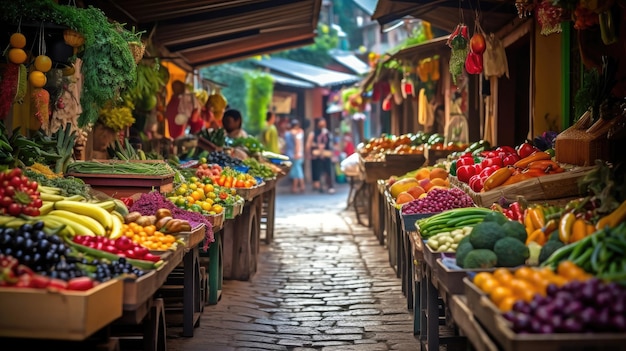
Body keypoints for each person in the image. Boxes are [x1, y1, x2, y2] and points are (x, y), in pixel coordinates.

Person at [306, 117, 335, 194]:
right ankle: (318, 185)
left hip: (326, 154)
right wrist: (309, 153)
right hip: (316, 155)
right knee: (316, 171)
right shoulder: (313, 133)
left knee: (328, 170)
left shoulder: (328, 133)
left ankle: (329, 186)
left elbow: (331, 144)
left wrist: (333, 154)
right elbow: (309, 144)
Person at [284, 119, 305, 193]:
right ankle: (299, 186)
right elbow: (297, 143)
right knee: (297, 170)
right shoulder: (298, 132)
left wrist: (296, 153)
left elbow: (297, 143)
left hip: (294, 154)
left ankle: (296, 187)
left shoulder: (289, 133)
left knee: (296, 170)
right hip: (297, 154)